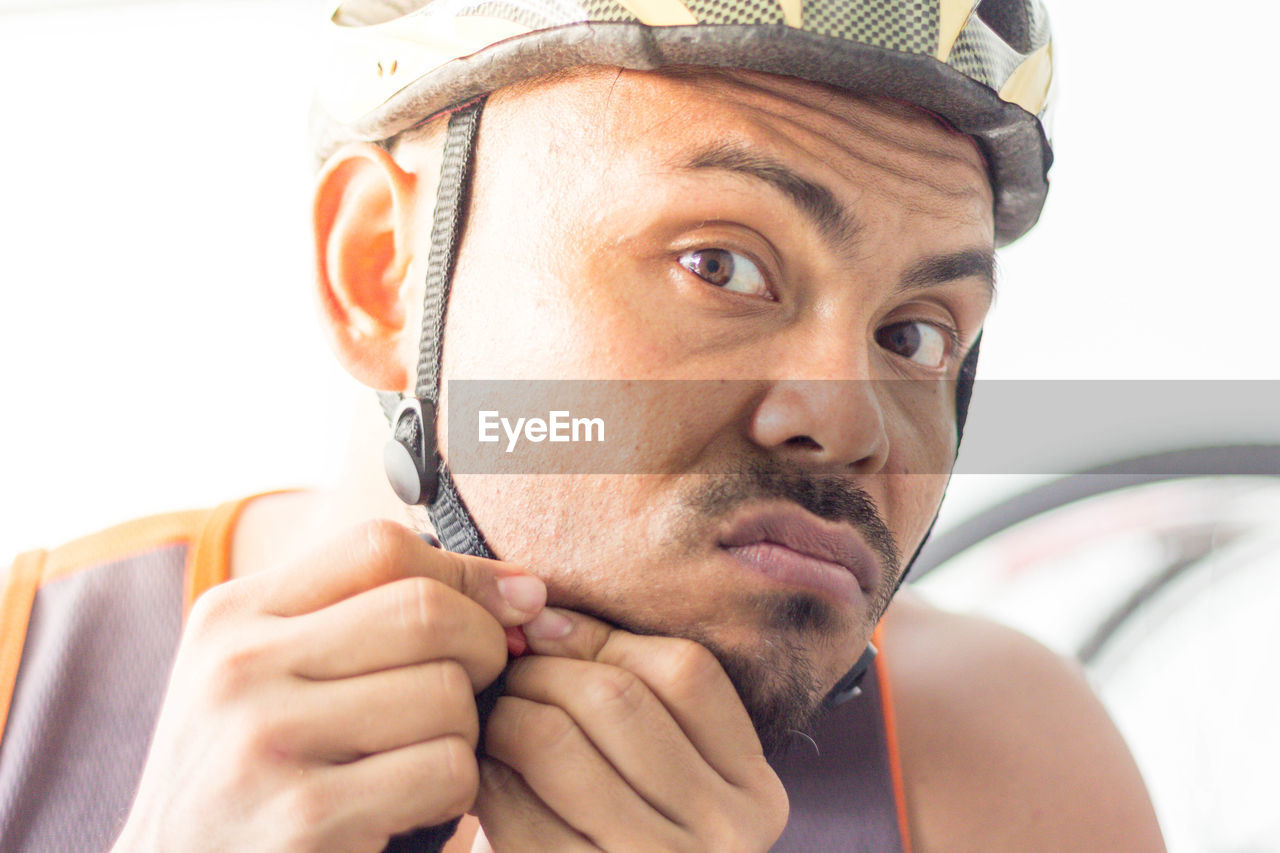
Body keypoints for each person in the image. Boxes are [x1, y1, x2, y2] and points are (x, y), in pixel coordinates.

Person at [0, 0, 1166, 850]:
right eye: (720, 263)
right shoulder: (22, 686)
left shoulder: (1004, 765)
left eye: (914, 334)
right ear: (380, 274)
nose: (851, 418)